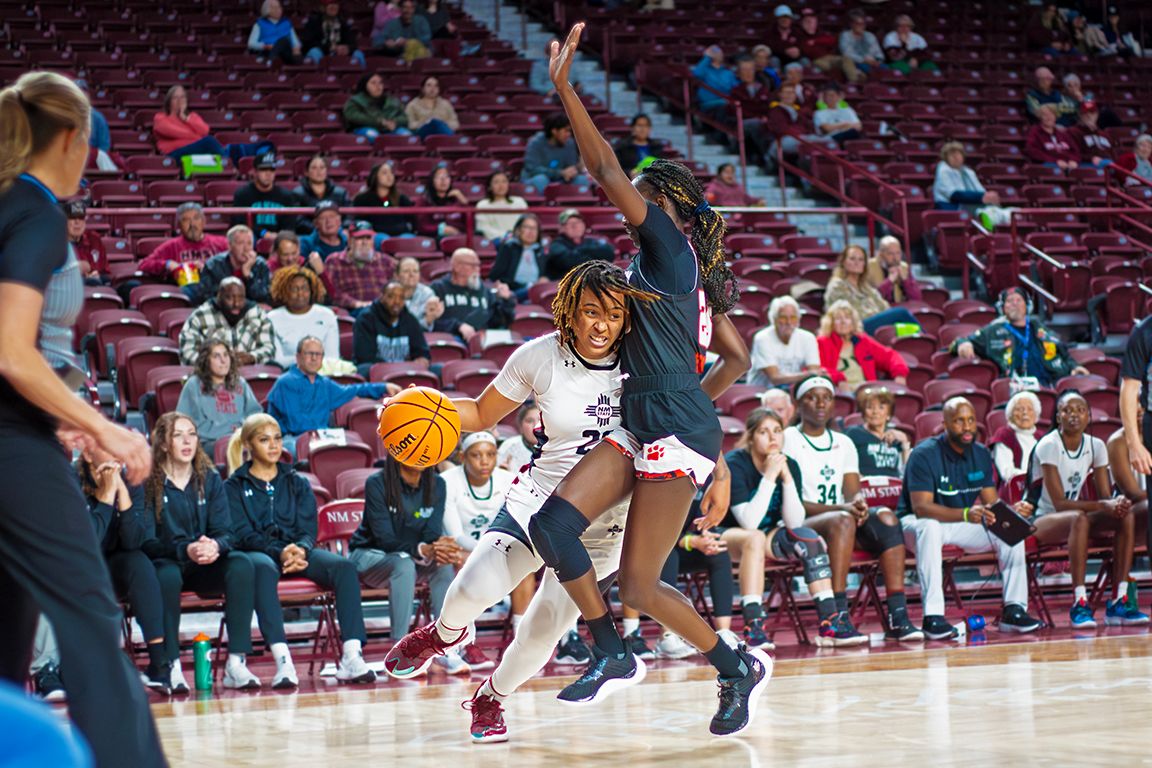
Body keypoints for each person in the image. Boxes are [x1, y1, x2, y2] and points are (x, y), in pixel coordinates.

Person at [522, 24, 769, 736]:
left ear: (662, 201)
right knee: (554, 526)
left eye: (642, 191)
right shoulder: (675, 276)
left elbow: (602, 169)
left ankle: (733, 666)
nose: (630, 198)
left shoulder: (666, 242)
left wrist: (566, 89)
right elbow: (737, 358)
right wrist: (686, 396)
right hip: (650, 416)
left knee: (637, 583)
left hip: (675, 428)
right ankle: (611, 651)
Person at [383, 260, 736, 739]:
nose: (602, 325)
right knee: (471, 590)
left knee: (541, 632)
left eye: (613, 315)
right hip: (542, 499)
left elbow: (689, 415)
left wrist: (720, 466)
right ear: (570, 312)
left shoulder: (646, 358)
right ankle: (444, 634)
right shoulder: (539, 356)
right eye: (591, 312)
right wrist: (419, 407)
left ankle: (491, 698)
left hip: (607, 525)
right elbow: (482, 413)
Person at [0, 71, 166, 768]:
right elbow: (10, 351)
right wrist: (108, 428)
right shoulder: (36, 211)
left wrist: (55, 410)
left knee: (6, 635)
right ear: (70, 139)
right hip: (10, 449)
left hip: (16, 430)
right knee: (92, 621)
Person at [143, 412, 298, 690]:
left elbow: (228, 532)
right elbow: (146, 540)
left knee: (241, 564)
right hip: (169, 560)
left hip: (206, 562)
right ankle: (171, 666)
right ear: (164, 444)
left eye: (191, 434)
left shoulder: (209, 478)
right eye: (178, 435)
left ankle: (236, 663)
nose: (187, 441)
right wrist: (186, 549)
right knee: (164, 577)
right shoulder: (148, 481)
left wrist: (215, 545)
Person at [225, 413, 377, 683]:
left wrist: (301, 549)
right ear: (248, 445)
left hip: (298, 553)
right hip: (262, 555)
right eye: (264, 440)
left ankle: (352, 655)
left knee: (343, 567)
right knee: (261, 567)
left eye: (277, 439)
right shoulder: (233, 486)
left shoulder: (297, 481)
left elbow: (308, 528)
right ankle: (284, 662)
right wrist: (279, 552)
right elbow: (241, 534)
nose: (273, 446)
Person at [783, 376, 922, 645]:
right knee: (844, 520)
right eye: (813, 397)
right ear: (799, 404)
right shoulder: (789, 438)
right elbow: (793, 502)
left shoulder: (844, 442)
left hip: (840, 520)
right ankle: (836, 615)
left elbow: (852, 492)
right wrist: (846, 509)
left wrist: (858, 504)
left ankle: (898, 615)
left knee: (886, 517)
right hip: (802, 521)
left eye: (827, 397)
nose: (821, 403)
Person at [899, 397, 1044, 638]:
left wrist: (1012, 511)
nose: (967, 427)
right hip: (914, 525)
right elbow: (922, 508)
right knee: (930, 528)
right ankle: (933, 617)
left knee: (1010, 531)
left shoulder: (980, 453)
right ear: (945, 424)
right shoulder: (924, 454)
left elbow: (991, 502)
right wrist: (966, 513)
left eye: (970, 420)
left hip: (958, 523)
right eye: (959, 421)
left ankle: (1014, 610)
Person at [708, 407, 845, 645]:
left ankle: (831, 621)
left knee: (806, 537)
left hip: (765, 534)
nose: (773, 437)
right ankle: (753, 626)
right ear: (751, 437)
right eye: (764, 432)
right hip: (724, 533)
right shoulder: (736, 463)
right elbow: (749, 522)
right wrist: (770, 476)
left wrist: (787, 478)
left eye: (777, 431)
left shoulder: (788, 463)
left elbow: (794, 522)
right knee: (755, 538)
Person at [1026, 390, 1145, 628]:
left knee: (1126, 515)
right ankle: (1079, 603)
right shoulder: (1049, 444)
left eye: (1080, 410)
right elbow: (1060, 503)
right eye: (1067, 410)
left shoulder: (1096, 445)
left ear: (1088, 416)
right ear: (1058, 417)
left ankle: (1119, 600)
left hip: (1075, 516)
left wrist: (1115, 504)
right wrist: (1104, 505)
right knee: (1078, 519)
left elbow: (1103, 496)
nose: (1074, 415)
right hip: (1041, 518)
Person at [350, 456, 460, 668]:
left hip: (411, 557)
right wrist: (422, 549)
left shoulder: (438, 484)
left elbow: (432, 532)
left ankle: (445, 646)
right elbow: (384, 538)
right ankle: (399, 648)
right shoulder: (377, 483)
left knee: (443, 565)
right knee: (404, 564)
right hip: (370, 556)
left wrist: (437, 549)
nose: (420, 454)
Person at [265, 336, 389, 451]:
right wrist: (326, 435)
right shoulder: (286, 382)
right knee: (298, 448)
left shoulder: (324, 383)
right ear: (298, 357)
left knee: (353, 446)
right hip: (292, 438)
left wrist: (384, 387)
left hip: (320, 437)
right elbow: (296, 425)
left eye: (318, 354)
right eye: (309, 353)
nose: (314, 358)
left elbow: (353, 390)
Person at [950, 287, 1089, 386]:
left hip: (1051, 382)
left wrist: (1074, 366)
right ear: (1003, 308)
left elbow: (1062, 349)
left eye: (1018, 300)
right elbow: (960, 342)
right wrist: (963, 343)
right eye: (1010, 301)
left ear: (1027, 306)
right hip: (1017, 387)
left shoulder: (1038, 326)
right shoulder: (993, 331)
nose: (1014, 305)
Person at [175, 340, 262, 456]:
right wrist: (230, 430)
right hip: (208, 444)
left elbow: (255, 416)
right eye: (216, 356)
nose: (223, 360)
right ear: (206, 361)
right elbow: (189, 426)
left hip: (240, 439)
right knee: (230, 450)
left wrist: (241, 431)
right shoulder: (193, 385)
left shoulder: (240, 383)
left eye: (226, 355)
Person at [823, 245, 919, 334]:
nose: (857, 262)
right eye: (852, 259)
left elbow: (884, 307)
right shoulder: (837, 285)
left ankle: (922, 340)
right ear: (843, 262)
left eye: (861, 260)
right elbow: (844, 314)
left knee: (904, 329)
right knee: (900, 313)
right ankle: (930, 341)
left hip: (874, 324)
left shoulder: (865, 286)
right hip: (855, 329)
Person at [179, 278, 274, 366]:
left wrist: (252, 357)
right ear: (219, 296)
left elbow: (269, 349)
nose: (236, 303)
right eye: (229, 298)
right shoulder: (199, 316)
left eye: (241, 298)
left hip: (249, 373)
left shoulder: (257, 314)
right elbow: (187, 354)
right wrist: (215, 362)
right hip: (210, 378)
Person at [817, 301, 909, 392]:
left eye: (847, 318)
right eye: (838, 318)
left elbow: (891, 356)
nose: (843, 322)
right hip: (839, 392)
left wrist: (900, 374)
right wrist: (839, 379)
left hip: (867, 393)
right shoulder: (822, 342)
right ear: (830, 323)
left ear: (853, 322)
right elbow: (816, 370)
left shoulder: (863, 341)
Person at [431, 248, 515, 341]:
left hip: (483, 338)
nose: (477, 269)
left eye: (478, 265)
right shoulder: (438, 288)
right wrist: (458, 326)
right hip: (452, 337)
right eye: (473, 265)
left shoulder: (484, 290)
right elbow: (429, 322)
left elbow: (500, 322)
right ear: (457, 267)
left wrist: (506, 301)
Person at [267, 265, 340, 368]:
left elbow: (332, 358)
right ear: (284, 291)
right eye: (294, 289)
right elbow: (278, 361)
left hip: (323, 374)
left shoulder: (327, 315)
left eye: (304, 288)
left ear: (311, 291)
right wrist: (312, 360)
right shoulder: (271, 319)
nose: (300, 293)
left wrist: (303, 360)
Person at [138, 202, 230, 283]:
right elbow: (144, 264)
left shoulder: (221, 242)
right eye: (186, 220)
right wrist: (168, 264)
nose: (192, 224)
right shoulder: (172, 246)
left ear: (203, 221)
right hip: (186, 288)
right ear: (179, 225)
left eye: (196, 218)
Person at [352, 280, 430, 373]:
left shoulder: (410, 320)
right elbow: (364, 357)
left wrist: (422, 359)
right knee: (364, 369)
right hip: (378, 371)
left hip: (403, 371)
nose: (397, 301)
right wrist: (393, 368)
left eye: (401, 298)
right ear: (382, 297)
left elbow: (422, 351)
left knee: (437, 369)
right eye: (391, 296)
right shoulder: (366, 319)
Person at [748, 295, 821, 389]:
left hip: (792, 390)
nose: (789, 322)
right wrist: (807, 375)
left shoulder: (808, 338)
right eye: (783, 318)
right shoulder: (762, 338)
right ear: (774, 319)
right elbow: (775, 378)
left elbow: (814, 372)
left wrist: (811, 374)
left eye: (793, 317)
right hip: (763, 391)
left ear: (799, 319)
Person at [324, 222, 396, 315]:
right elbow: (331, 292)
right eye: (360, 238)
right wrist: (356, 304)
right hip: (351, 312)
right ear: (350, 241)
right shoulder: (334, 261)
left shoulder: (385, 261)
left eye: (368, 238)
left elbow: (396, 288)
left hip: (382, 311)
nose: (365, 243)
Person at [196, 224, 273, 305]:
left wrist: (248, 275)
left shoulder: (261, 265)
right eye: (240, 243)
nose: (246, 248)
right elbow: (206, 298)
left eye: (249, 243)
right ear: (229, 246)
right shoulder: (213, 265)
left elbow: (263, 297)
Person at [847, 385, 911, 480]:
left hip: (893, 488)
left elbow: (908, 473)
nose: (875, 412)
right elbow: (846, 466)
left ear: (889, 414)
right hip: (866, 488)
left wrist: (905, 444)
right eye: (870, 407)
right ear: (863, 413)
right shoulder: (853, 434)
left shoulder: (896, 437)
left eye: (881, 407)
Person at [231, 152, 301, 238]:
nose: (268, 174)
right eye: (263, 169)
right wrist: (264, 233)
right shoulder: (242, 194)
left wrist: (280, 236)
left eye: (271, 170)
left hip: (280, 238)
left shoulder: (286, 196)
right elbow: (240, 224)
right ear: (255, 172)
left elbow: (289, 225)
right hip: (251, 237)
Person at [152, 84, 226, 158]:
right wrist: (197, 137)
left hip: (197, 152)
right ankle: (228, 165)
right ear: (169, 101)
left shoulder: (193, 116)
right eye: (175, 98)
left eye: (182, 97)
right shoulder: (161, 117)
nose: (179, 100)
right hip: (174, 154)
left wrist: (186, 118)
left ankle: (228, 164)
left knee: (233, 148)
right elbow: (174, 132)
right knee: (209, 141)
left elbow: (205, 131)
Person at [521, 113, 588, 193]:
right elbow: (533, 169)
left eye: (569, 131)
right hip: (535, 179)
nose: (569, 134)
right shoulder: (535, 143)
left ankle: (574, 205)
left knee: (582, 179)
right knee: (541, 179)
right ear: (554, 131)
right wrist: (560, 173)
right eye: (566, 131)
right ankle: (545, 205)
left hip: (561, 179)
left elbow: (571, 165)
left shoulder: (570, 143)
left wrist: (572, 171)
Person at [544, 209, 616, 280]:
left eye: (578, 222)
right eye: (570, 223)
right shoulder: (556, 245)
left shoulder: (590, 241)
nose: (575, 226)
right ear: (562, 228)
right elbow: (569, 262)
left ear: (583, 225)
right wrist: (593, 256)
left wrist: (581, 251)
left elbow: (609, 253)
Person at [989, 390, 1043, 484]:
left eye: (1030, 409)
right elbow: (1006, 472)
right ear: (1010, 415)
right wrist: (1033, 478)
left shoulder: (1041, 437)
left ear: (1036, 415)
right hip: (1013, 489)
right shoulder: (1004, 435)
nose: (1025, 413)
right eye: (1019, 409)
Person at [351, 161, 417, 236]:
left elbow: (411, 220)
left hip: (401, 234)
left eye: (391, 173)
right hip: (375, 234)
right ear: (375, 176)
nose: (389, 176)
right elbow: (359, 221)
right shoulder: (362, 198)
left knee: (409, 238)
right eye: (384, 173)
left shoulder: (401, 198)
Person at [488, 213, 545, 300]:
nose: (531, 231)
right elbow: (496, 276)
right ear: (518, 230)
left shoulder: (539, 251)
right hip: (514, 291)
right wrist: (526, 286)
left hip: (536, 292)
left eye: (534, 228)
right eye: (527, 227)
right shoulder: (508, 247)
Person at [933, 142, 1000, 212]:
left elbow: (981, 191)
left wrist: (989, 196)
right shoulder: (943, 170)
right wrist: (981, 197)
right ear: (946, 158)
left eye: (958, 154)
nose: (955, 157)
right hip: (953, 208)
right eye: (951, 154)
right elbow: (954, 195)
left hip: (972, 206)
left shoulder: (969, 172)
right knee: (989, 214)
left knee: (1009, 212)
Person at [798, 7, 857, 82]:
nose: (809, 24)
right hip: (815, 60)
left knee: (847, 59)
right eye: (806, 22)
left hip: (830, 57)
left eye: (811, 22)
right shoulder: (800, 35)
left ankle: (854, 83)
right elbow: (806, 50)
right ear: (802, 24)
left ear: (816, 23)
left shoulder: (821, 33)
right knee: (827, 67)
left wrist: (815, 41)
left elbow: (832, 40)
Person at [301, 0, 366, 66]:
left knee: (358, 54)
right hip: (322, 51)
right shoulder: (314, 21)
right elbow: (308, 42)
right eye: (330, 4)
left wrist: (347, 48)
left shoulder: (342, 22)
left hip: (338, 52)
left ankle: (362, 75)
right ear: (323, 7)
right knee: (315, 52)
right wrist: (329, 47)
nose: (334, 7)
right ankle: (318, 75)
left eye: (336, 4)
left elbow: (352, 42)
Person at [417, 163, 468, 239]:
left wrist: (464, 203)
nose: (443, 180)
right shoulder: (424, 200)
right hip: (435, 238)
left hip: (459, 236)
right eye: (438, 177)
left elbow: (469, 225)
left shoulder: (457, 198)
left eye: (446, 176)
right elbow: (421, 226)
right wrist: (440, 229)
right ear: (432, 181)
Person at [474, 170, 528, 242]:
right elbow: (483, 228)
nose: (501, 185)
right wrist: (506, 236)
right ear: (489, 187)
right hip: (497, 240)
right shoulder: (482, 205)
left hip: (520, 238)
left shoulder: (519, 202)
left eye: (504, 181)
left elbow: (527, 222)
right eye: (496, 182)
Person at [63, 199, 107, 285]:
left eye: (81, 217)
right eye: (72, 218)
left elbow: (105, 271)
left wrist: (97, 274)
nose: (77, 222)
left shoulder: (94, 239)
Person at [867, 236, 922, 305]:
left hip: (898, 308)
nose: (895, 258)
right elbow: (872, 298)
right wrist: (889, 281)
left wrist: (905, 281)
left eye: (898, 253)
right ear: (881, 254)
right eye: (890, 254)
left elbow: (917, 299)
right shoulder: (869, 267)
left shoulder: (904, 267)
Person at [691, 45, 738, 123]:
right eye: (715, 52)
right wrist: (707, 57)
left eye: (720, 53)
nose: (719, 54)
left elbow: (736, 87)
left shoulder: (728, 72)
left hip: (726, 101)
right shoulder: (704, 70)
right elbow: (696, 74)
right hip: (708, 102)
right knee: (724, 105)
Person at [396, 255, 444, 332]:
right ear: (397, 276)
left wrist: (429, 319)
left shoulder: (427, 293)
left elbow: (427, 323)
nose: (411, 275)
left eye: (415, 271)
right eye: (406, 271)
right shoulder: (390, 292)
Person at [1025, 105, 1081, 170]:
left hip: (1068, 164)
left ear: (1055, 117)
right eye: (1045, 115)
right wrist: (1055, 161)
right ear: (1040, 117)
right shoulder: (1035, 132)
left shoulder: (1062, 133)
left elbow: (1075, 151)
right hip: (1048, 165)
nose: (1049, 117)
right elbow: (1032, 151)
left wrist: (1073, 160)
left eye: (1051, 114)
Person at [1068, 101, 1115, 168]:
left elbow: (1113, 154)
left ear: (1097, 115)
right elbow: (1072, 153)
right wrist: (1090, 158)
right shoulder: (1072, 132)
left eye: (1092, 112)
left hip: (1108, 168)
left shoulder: (1105, 134)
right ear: (1080, 115)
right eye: (1085, 112)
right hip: (1087, 168)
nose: (1089, 115)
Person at [839, 10, 884, 79]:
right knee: (870, 72)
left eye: (863, 24)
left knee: (887, 70)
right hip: (856, 62)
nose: (861, 26)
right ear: (852, 24)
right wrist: (863, 60)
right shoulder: (845, 35)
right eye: (858, 24)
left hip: (873, 62)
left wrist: (877, 61)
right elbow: (847, 53)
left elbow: (879, 54)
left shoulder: (870, 36)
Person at [497, 401, 540, 472]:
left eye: (540, 420)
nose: (536, 425)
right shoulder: (509, 446)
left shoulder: (557, 447)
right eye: (530, 421)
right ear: (520, 426)